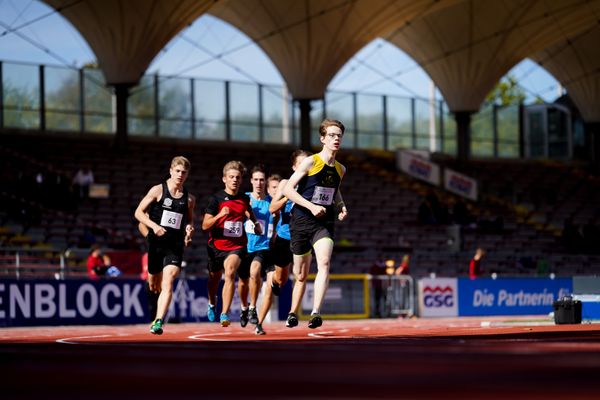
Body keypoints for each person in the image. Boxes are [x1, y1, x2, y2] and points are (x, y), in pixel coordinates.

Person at [284, 119, 348, 329]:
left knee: (324, 263)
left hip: (324, 223)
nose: (336, 139)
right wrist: (310, 207)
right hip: (301, 221)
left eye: (339, 135)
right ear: (322, 139)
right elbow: (288, 190)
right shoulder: (311, 162)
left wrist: (341, 205)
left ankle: (315, 312)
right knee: (300, 274)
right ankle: (293, 312)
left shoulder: (340, 169)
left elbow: (334, 189)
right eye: (331, 135)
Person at [134, 156, 196, 335]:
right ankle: (153, 308)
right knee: (154, 285)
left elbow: (189, 220)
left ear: (187, 175)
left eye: (184, 172)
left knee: (168, 281)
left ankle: (159, 321)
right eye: (177, 171)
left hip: (174, 246)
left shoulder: (189, 199)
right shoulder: (158, 190)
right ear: (171, 171)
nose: (180, 175)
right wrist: (154, 227)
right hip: (156, 243)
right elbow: (138, 212)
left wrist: (189, 230)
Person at [255, 150, 311, 335]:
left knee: (300, 275)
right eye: (301, 164)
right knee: (281, 278)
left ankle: (293, 313)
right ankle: (274, 286)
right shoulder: (286, 184)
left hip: (302, 236)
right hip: (283, 237)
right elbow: (272, 207)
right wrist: (289, 196)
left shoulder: (312, 185)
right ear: (295, 167)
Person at [202, 160, 262, 327]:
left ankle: (224, 313)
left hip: (237, 246)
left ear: (241, 180)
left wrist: (255, 224)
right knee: (214, 280)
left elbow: (248, 211)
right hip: (216, 246)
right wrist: (220, 215)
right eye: (231, 177)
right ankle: (212, 303)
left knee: (229, 273)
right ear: (224, 179)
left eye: (237, 177)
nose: (235, 180)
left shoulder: (244, 198)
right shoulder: (216, 200)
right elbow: (205, 225)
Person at [237, 164, 276, 328]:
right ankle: (244, 308)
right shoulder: (244, 198)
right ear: (251, 181)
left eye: (262, 180)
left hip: (262, 247)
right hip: (244, 247)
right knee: (243, 282)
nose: (259, 183)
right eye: (256, 180)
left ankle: (253, 307)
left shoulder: (271, 202)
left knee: (255, 273)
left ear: (265, 182)